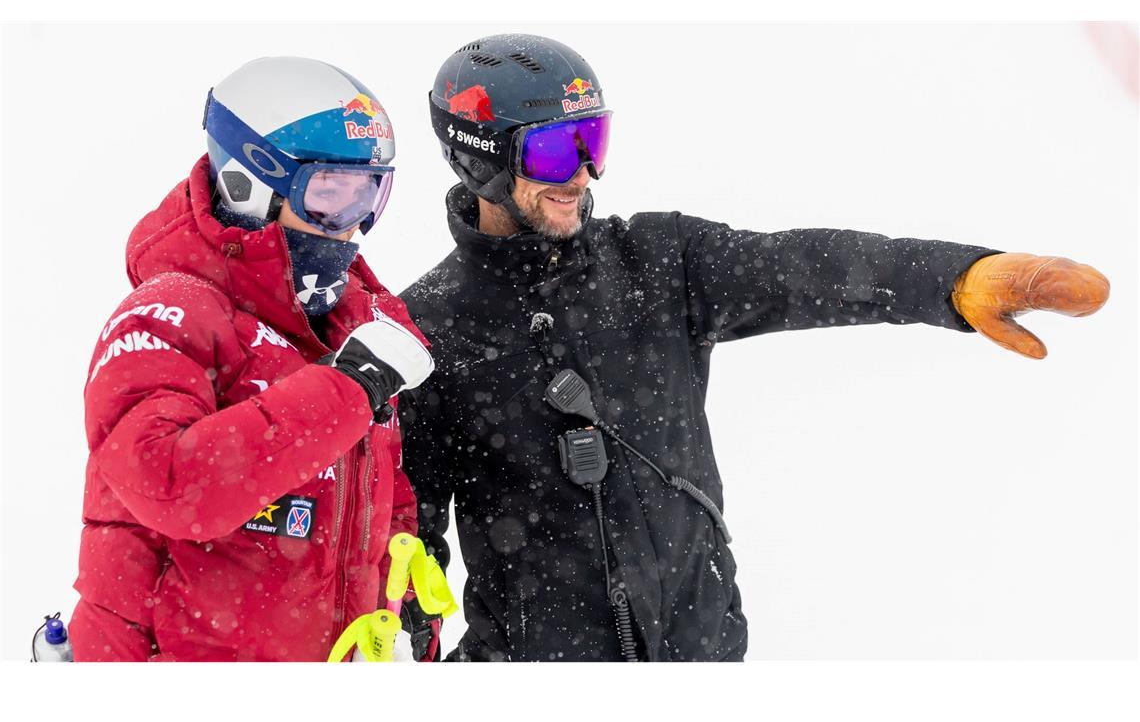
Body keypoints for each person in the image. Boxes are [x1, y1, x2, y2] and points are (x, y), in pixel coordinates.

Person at [397, 34, 1111, 662]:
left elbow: (803, 268)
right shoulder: (427, 330)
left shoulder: (655, 262)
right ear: (480, 160)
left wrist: (955, 280)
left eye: (595, 142)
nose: (584, 174)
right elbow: (404, 543)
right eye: (557, 150)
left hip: (703, 655)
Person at [72, 57, 435, 661]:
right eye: (327, 194)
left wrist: (399, 611)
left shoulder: (345, 321)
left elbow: (380, 496)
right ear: (249, 184)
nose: (350, 227)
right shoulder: (168, 314)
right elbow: (171, 483)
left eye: (366, 195)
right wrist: (347, 388)